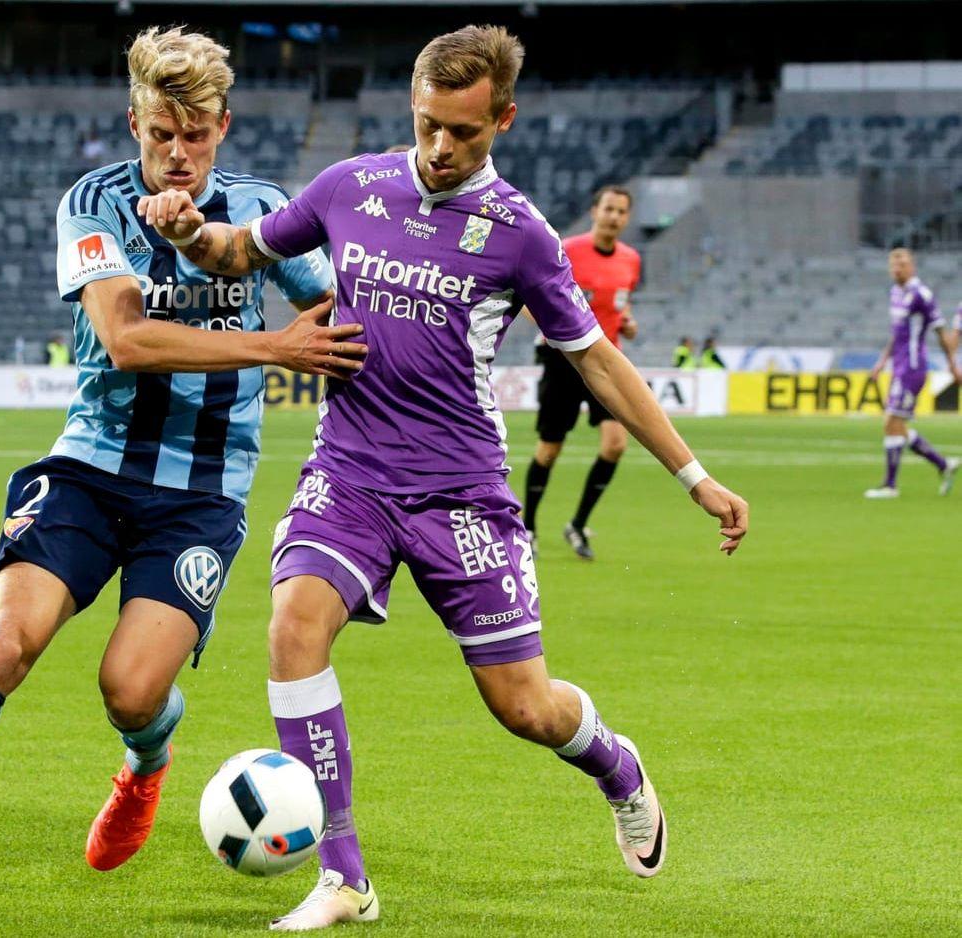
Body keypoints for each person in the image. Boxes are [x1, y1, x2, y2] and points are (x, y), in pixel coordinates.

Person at [140, 24, 749, 930]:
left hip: (461, 494)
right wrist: (193, 232)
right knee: (293, 628)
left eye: (462, 131)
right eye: (427, 123)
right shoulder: (350, 186)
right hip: (349, 473)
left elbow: (598, 361)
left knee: (525, 708)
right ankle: (344, 877)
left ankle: (616, 766)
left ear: (502, 120)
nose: (438, 146)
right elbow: (241, 253)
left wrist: (694, 476)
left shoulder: (523, 236)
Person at [0, 26, 359, 917]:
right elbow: (126, 338)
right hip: (90, 466)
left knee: (132, 691)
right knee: (3, 645)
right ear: (135, 124)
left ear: (222, 128)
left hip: (201, 494)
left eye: (195, 135)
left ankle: (147, 761)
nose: (177, 153)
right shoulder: (94, 202)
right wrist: (275, 346)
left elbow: (333, 308)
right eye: (160, 134)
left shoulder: (262, 210)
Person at [521, 184, 641, 559]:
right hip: (563, 358)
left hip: (606, 359)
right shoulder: (567, 250)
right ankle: (528, 528)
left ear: (628, 218)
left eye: (621, 211)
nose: (614, 217)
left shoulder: (631, 259)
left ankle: (577, 525)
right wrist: (552, 326)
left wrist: (627, 322)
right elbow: (529, 297)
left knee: (616, 444)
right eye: (609, 209)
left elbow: (620, 303)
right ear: (594, 211)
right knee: (550, 449)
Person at [863, 248, 961, 499]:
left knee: (891, 422)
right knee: (896, 425)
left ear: (912, 267)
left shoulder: (922, 295)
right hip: (899, 366)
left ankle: (890, 486)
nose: (898, 269)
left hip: (913, 367)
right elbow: (896, 333)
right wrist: (882, 361)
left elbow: (940, 332)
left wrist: (952, 364)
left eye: (903, 265)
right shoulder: (896, 293)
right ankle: (943, 464)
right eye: (894, 265)